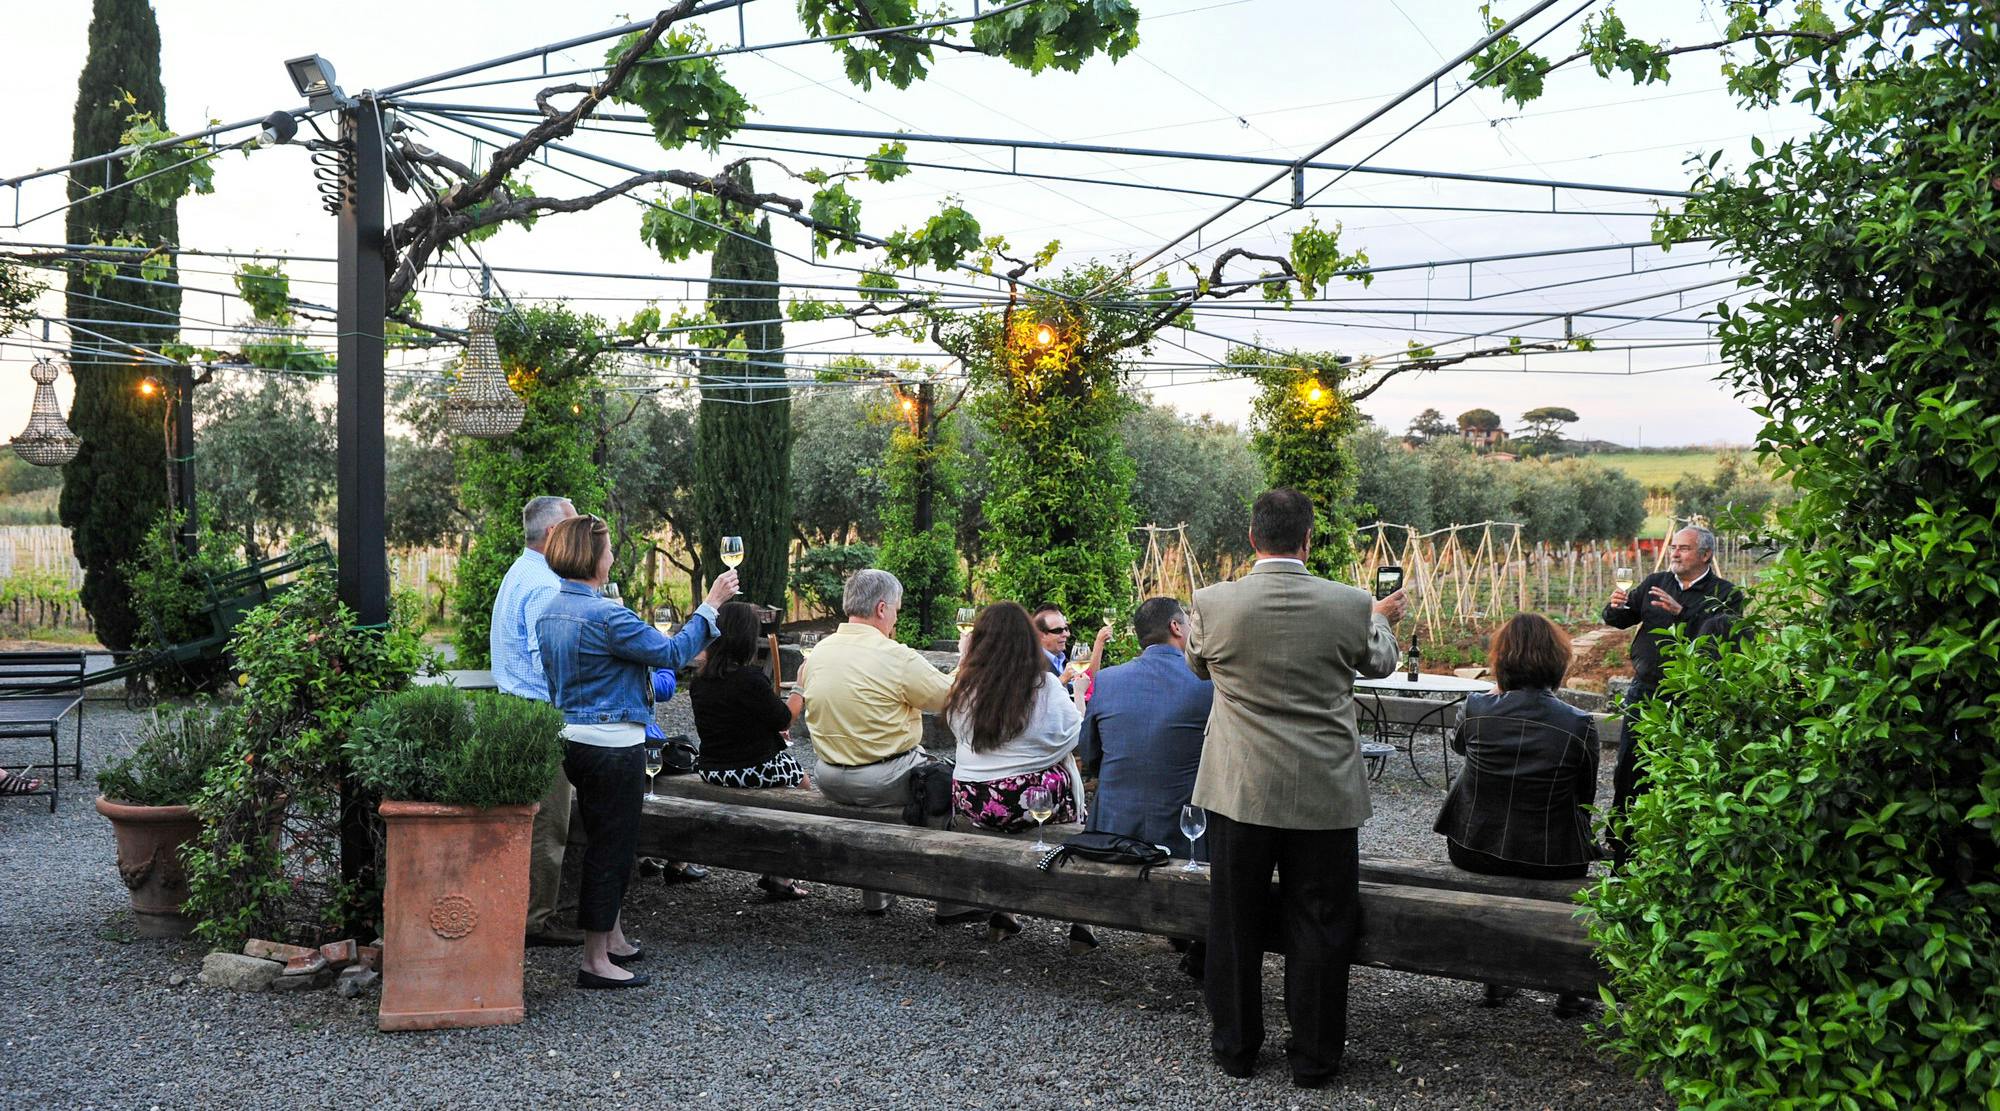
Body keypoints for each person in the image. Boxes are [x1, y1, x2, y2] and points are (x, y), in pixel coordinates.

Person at [1187, 488, 1405, 1088]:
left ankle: (1235, 1048)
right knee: (1322, 921)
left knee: (1234, 920)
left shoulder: (1211, 603)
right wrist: (1382, 621)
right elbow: (1381, 664)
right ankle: (1313, 1058)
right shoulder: (1351, 603)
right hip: (1324, 790)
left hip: (1240, 789)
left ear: (1252, 538)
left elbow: (1199, 666)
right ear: (1308, 540)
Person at [537, 514, 737, 989]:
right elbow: (672, 654)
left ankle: (613, 939)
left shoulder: (550, 608)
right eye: (607, 549)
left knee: (603, 840)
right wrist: (709, 607)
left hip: (573, 739)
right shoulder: (607, 615)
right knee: (612, 848)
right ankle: (595, 961)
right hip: (613, 745)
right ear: (592, 556)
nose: (612, 557)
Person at [1432, 612, 1598, 1016]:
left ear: (1501, 660)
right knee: (1572, 862)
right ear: (1557, 663)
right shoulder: (1578, 724)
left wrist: (1494, 700)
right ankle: (1569, 990)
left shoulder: (1476, 708)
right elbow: (1585, 797)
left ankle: (1496, 979)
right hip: (1551, 857)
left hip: (1474, 846)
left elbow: (1460, 748)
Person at [793, 569, 970, 922]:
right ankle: (953, 901)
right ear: (881, 608)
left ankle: (876, 896)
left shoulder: (819, 653)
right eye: (897, 611)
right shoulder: (895, 656)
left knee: (908, 763)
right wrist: (966, 658)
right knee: (948, 786)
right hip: (883, 780)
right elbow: (948, 698)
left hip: (828, 776)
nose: (897, 619)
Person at [943, 601, 1094, 949]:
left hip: (971, 800)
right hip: (1020, 804)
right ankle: (1081, 918)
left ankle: (1004, 912)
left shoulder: (964, 684)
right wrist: (1080, 702)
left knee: (1053, 770)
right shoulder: (1041, 684)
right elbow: (1069, 737)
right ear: (1028, 639)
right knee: (1064, 774)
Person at [1601, 525, 1740, 865]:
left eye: (1684, 548)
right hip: (1644, 693)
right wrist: (1614, 607)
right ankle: (1623, 850)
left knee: (1685, 773)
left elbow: (1722, 642)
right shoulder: (1655, 582)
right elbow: (1620, 619)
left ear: (1706, 555)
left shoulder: (1725, 594)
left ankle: (1678, 854)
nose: (1675, 553)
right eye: (1674, 547)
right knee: (1630, 770)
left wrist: (1683, 614)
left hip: (1692, 696)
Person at [489, 495, 580, 947]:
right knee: (548, 823)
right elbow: (545, 660)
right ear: (551, 535)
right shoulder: (544, 584)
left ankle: (526, 909)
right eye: (572, 525)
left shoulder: (520, 570)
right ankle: (535, 921)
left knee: (535, 817)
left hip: (515, 709)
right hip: (541, 715)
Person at [689, 601, 811, 901]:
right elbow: (784, 718)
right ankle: (781, 874)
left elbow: (732, 722)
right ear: (745, 638)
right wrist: (800, 689)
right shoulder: (750, 680)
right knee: (805, 787)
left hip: (712, 767)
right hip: (750, 769)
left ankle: (777, 870)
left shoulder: (699, 681)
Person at [1079, 596, 1213, 861]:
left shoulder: (1106, 680)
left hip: (1112, 833)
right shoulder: (1208, 682)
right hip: (1185, 834)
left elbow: (1090, 756)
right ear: (1176, 627)